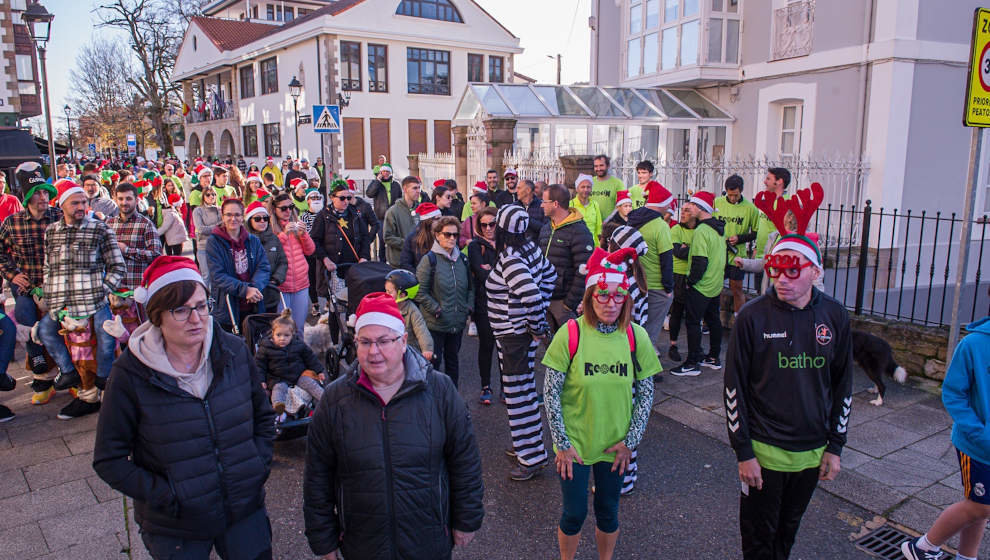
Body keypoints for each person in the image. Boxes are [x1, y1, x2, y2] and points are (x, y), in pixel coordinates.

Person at [93, 256, 276, 559]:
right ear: (157, 315)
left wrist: (255, 466)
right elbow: (109, 459)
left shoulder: (233, 350)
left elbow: (263, 418)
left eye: (202, 305)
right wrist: (168, 495)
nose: (196, 319)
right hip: (175, 525)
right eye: (181, 309)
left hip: (244, 508)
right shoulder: (131, 373)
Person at [303, 293, 484, 559]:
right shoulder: (334, 399)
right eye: (365, 342)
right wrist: (323, 538)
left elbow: (465, 460)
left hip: (428, 540)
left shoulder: (440, 390)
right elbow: (317, 475)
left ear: (403, 342)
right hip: (363, 543)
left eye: (383, 341)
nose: (373, 351)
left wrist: (466, 518)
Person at [725, 183, 851, 560]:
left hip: (812, 453)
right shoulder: (751, 316)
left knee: (787, 535)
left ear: (814, 271)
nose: (781, 279)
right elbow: (734, 389)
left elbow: (843, 383)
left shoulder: (834, 315)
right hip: (763, 454)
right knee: (758, 541)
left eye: (792, 271)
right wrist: (743, 451)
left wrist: (836, 446)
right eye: (776, 270)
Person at [542, 248, 660, 560]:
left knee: (608, 511)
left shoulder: (636, 337)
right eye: (602, 296)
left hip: (615, 446)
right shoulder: (570, 333)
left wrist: (630, 442)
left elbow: (646, 394)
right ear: (590, 297)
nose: (610, 303)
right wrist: (563, 444)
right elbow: (550, 393)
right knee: (574, 514)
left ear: (627, 298)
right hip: (576, 446)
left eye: (618, 296)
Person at [901, 315, 990, 560]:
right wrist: (981, 435)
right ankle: (923, 547)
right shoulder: (973, 344)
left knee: (979, 505)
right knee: (981, 505)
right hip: (979, 446)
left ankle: (967, 557)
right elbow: (953, 394)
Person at [40, 179, 126, 419]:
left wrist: (103, 289)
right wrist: (49, 294)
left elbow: (118, 266)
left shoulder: (100, 228)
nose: (81, 206)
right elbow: (48, 268)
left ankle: (102, 385)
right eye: (75, 202)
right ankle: (70, 374)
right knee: (45, 332)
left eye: (84, 202)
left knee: (106, 343)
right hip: (62, 304)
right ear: (62, 205)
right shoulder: (52, 232)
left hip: (94, 301)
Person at [486, 205, 557, 480]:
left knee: (518, 397)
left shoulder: (511, 258)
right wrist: (535, 322)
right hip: (519, 335)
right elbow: (549, 276)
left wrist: (536, 326)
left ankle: (530, 458)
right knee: (525, 392)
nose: (490, 228)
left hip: (514, 336)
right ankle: (530, 449)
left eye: (494, 225)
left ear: (503, 229)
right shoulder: (530, 249)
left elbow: (530, 295)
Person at [0, 176, 60, 405]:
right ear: (27, 198)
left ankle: (71, 374)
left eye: (46, 192)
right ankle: (37, 363)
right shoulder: (12, 222)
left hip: (56, 284)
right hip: (27, 283)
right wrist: (12, 274)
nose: (44, 197)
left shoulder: (57, 216)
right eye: (38, 193)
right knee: (25, 316)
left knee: (61, 326)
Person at [670, 192, 726, 376]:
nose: (689, 207)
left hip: (701, 286)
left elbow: (700, 261)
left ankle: (692, 363)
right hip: (715, 284)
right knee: (713, 320)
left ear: (700, 208)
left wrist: (690, 281)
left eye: (693, 204)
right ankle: (713, 357)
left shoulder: (702, 231)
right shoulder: (718, 228)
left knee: (693, 323)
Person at [414, 216, 472, 387]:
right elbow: (420, 292)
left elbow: (471, 288)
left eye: (455, 235)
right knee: (434, 365)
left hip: (457, 322)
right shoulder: (429, 260)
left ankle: (451, 399)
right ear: (437, 235)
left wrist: (468, 307)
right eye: (447, 234)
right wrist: (436, 309)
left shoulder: (463, 260)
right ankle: (432, 401)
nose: (452, 238)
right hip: (435, 324)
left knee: (453, 362)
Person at [626, 181, 675, 357]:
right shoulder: (660, 226)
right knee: (650, 330)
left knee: (636, 325)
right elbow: (666, 259)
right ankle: (644, 370)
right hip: (655, 285)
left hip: (634, 282)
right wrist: (668, 288)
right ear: (661, 204)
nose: (670, 207)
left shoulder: (632, 220)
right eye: (668, 203)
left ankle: (631, 358)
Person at [206, 199, 271, 332]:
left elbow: (263, 267)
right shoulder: (214, 242)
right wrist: (244, 290)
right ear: (222, 216)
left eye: (237, 215)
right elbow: (217, 275)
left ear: (243, 217)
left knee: (254, 346)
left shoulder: (253, 240)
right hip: (227, 305)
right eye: (228, 215)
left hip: (253, 304)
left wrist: (254, 288)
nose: (233, 218)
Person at [539, 183, 594, 334]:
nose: (541, 205)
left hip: (563, 302)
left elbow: (584, 270)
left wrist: (569, 304)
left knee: (570, 346)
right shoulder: (546, 228)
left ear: (555, 204)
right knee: (549, 346)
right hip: (544, 298)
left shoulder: (579, 231)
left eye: (544, 201)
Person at [256, 309, 325, 417]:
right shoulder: (266, 348)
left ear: (292, 335)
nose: (282, 338)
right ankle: (278, 406)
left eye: (286, 335)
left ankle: (325, 398)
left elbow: (310, 357)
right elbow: (260, 366)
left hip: (298, 375)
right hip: (277, 378)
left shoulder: (298, 344)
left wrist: (319, 371)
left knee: (310, 383)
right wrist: (261, 380)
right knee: (278, 389)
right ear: (272, 334)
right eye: (278, 335)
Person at [270, 193, 315, 338]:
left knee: (299, 328)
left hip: (301, 284)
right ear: (275, 209)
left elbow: (310, 250)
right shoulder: (270, 228)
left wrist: (303, 234)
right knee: (281, 330)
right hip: (282, 287)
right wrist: (283, 235)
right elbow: (271, 254)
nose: (288, 211)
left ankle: (299, 359)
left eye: (291, 207)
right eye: (283, 208)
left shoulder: (297, 224)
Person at [714, 174, 760, 317]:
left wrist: (740, 238)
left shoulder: (750, 208)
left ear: (741, 191)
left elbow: (756, 232)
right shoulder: (717, 203)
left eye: (735, 195)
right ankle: (710, 319)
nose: (733, 198)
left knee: (737, 288)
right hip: (719, 252)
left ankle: (738, 319)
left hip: (737, 254)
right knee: (714, 286)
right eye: (730, 195)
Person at [466, 206, 498, 404]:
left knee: (504, 348)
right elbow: (481, 273)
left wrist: (490, 269)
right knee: (486, 345)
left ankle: (507, 388)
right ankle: (485, 386)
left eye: (492, 224)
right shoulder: (475, 246)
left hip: (505, 303)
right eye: (484, 224)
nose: (488, 228)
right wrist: (494, 270)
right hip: (483, 301)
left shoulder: (505, 243)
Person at [108, 183, 163, 293]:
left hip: (137, 289)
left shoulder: (146, 224)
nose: (124, 203)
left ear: (137, 200)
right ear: (115, 200)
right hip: (114, 289)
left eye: (128, 199)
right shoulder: (109, 224)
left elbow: (156, 255)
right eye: (121, 199)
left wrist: (127, 250)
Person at [311, 182, 370, 283]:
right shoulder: (323, 216)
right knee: (334, 297)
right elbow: (315, 241)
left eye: (348, 198)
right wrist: (325, 259)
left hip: (353, 267)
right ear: (332, 198)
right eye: (342, 198)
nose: (346, 201)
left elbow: (365, 237)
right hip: (332, 268)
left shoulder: (355, 214)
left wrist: (364, 256)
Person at [244, 201, 288, 314]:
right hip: (251, 294)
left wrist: (276, 279)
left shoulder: (274, 238)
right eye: (257, 219)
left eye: (265, 218)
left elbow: (282, 261)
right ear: (249, 221)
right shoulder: (244, 240)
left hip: (271, 291)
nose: (262, 221)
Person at [384, 269, 433, 361]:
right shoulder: (385, 306)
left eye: (389, 292)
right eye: (386, 291)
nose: (386, 294)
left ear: (402, 295)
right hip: (388, 349)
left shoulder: (412, 311)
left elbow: (422, 330)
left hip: (407, 352)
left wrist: (427, 348)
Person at [667, 205, 695, 362]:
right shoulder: (676, 230)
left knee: (693, 313)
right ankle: (673, 344)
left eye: (687, 211)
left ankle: (694, 348)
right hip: (678, 274)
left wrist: (687, 248)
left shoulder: (700, 230)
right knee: (677, 310)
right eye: (682, 210)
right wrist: (692, 248)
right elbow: (678, 252)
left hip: (694, 274)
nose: (683, 213)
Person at [383, 176, 426, 267]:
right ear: (405, 189)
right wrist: (409, 244)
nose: (418, 191)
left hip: (419, 261)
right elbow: (388, 237)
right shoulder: (393, 211)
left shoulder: (421, 209)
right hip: (399, 261)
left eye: (419, 188)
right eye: (414, 188)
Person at [192, 188, 222, 285]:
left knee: (218, 275)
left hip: (218, 246)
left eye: (213, 194)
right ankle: (204, 298)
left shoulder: (220, 210)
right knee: (206, 275)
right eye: (208, 195)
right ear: (203, 197)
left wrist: (213, 228)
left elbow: (225, 227)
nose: (211, 197)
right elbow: (201, 229)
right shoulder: (198, 211)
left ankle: (216, 298)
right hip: (203, 247)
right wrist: (218, 226)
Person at [401, 202, 442, 272]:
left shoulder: (444, 235)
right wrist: (420, 276)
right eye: (438, 219)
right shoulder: (412, 238)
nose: (441, 221)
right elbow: (405, 263)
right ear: (429, 221)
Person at [590, 155, 624, 224]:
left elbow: (621, 205)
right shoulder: (589, 182)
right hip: (591, 224)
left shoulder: (618, 183)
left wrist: (608, 221)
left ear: (608, 166)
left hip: (609, 225)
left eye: (601, 165)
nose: (598, 168)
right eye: (596, 166)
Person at [570, 174, 602, 241]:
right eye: (583, 187)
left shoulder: (595, 204)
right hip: (576, 244)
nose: (586, 190)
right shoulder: (570, 205)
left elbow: (599, 227)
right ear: (577, 189)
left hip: (593, 245)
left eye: (588, 187)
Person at [515, 179, 544, 244]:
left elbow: (545, 229)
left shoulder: (542, 206)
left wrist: (527, 219)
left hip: (535, 248)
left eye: (519, 188)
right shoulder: (514, 206)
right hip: (517, 248)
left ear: (528, 190)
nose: (516, 191)